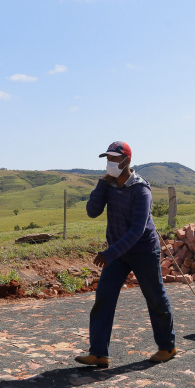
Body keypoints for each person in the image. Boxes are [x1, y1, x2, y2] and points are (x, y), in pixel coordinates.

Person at [75, 141, 177, 368]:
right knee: (104, 297)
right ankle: (99, 353)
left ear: (126, 161)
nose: (110, 163)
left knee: (155, 296)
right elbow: (92, 212)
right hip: (118, 253)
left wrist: (110, 252)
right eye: (107, 159)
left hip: (143, 251)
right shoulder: (109, 186)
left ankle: (167, 346)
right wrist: (102, 184)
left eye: (114, 159)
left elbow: (138, 230)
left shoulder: (141, 189)